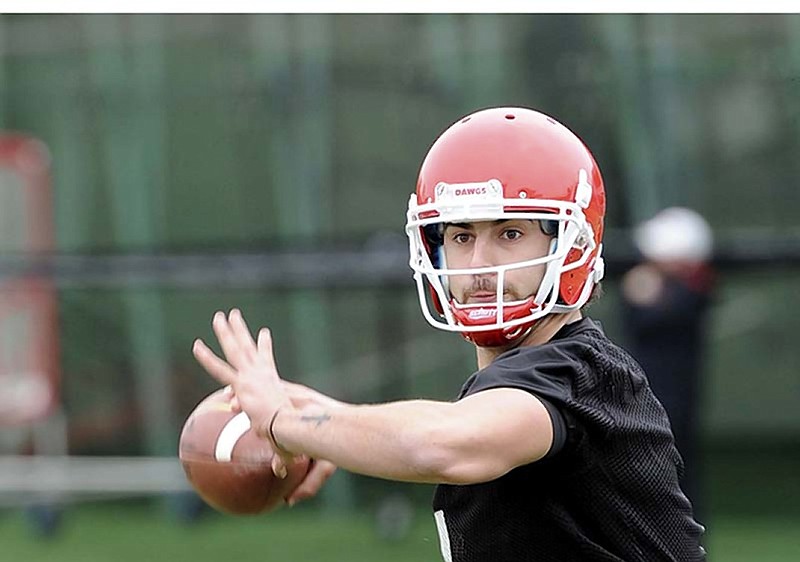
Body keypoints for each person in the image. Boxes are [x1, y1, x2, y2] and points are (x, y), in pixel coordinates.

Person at [192, 107, 705, 561]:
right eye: (461, 236)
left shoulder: (576, 373)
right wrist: (330, 420)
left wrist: (286, 421)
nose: (479, 264)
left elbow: (442, 444)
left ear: (572, 246)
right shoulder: (519, 379)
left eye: (510, 233)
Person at [621, 207, 716, 524]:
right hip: (644, 397)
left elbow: (653, 314)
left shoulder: (691, 291)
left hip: (672, 402)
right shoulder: (658, 284)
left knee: (675, 479)